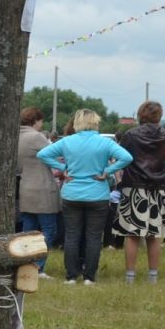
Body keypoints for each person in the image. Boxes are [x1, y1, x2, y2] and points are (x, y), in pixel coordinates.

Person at [36, 108, 132, 285]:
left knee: (72, 235)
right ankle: (89, 277)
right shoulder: (104, 142)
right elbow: (126, 157)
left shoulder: (67, 141)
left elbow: (43, 154)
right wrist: (108, 171)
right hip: (98, 194)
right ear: (95, 122)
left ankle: (71, 276)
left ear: (76, 123)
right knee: (94, 237)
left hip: (72, 193)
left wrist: (63, 168)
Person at [114, 101, 165, 283]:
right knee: (154, 235)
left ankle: (130, 276)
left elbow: (121, 158)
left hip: (133, 187)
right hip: (157, 189)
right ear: (159, 115)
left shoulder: (130, 135)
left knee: (132, 235)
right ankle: (153, 276)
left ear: (140, 114)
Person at [16, 106, 62, 272]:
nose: (42, 125)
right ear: (35, 120)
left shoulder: (16, 137)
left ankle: (24, 265)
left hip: (25, 187)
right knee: (48, 230)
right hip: (42, 189)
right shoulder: (36, 137)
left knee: (28, 231)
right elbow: (55, 156)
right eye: (41, 121)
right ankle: (37, 267)